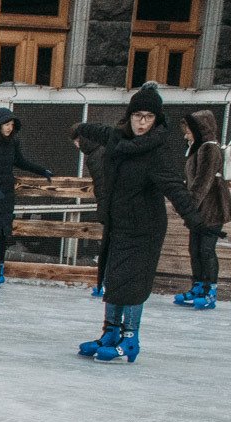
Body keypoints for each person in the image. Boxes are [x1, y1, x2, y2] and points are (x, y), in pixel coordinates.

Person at [71, 83, 205, 363]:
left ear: (157, 120)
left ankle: (130, 338)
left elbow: (175, 188)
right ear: (129, 117)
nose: (142, 122)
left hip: (145, 229)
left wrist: (195, 219)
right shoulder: (117, 139)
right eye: (137, 115)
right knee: (113, 279)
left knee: (132, 284)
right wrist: (80, 127)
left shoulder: (156, 153)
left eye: (149, 117)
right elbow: (97, 130)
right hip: (119, 225)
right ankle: (110, 332)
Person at [0, 108, 53, 286]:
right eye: (6, 124)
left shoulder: (13, 143)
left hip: (5, 195)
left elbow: (21, 162)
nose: (9, 128)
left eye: (11, 125)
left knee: (2, 233)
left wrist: (41, 170)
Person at [174, 110, 230, 310]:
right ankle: (198, 285)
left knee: (206, 250)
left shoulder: (209, 149)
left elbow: (202, 181)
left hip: (211, 209)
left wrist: (188, 206)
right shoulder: (197, 148)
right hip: (198, 210)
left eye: (189, 132)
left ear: (199, 130)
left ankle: (210, 290)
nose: (186, 135)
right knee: (195, 248)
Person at [72, 125, 109, 297]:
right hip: (114, 204)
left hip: (111, 206)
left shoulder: (96, 156)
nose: (77, 146)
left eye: (77, 141)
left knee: (108, 246)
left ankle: (104, 283)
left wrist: (103, 208)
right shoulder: (102, 151)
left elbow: (102, 186)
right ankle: (104, 283)